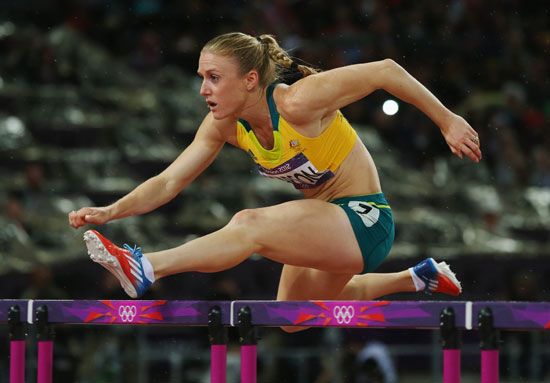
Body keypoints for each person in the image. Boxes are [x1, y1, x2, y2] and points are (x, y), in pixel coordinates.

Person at [68, 32, 481, 316]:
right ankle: (414, 278)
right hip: (325, 228)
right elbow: (169, 181)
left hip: (364, 218)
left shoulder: (297, 103)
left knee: (249, 223)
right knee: (291, 316)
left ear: (250, 80)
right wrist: (111, 210)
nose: (203, 90)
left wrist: (447, 121)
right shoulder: (224, 125)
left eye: (214, 78)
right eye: (202, 79)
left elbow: (386, 70)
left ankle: (148, 267)